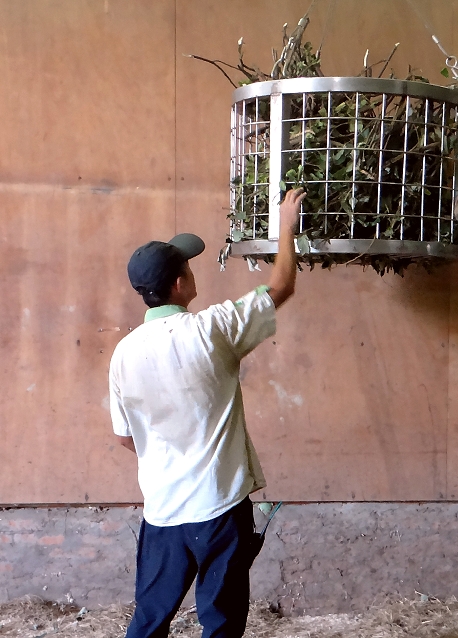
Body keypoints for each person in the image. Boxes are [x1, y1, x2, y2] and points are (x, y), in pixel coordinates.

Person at [109, 188, 307, 638]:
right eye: (188, 266)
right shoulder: (212, 329)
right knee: (220, 622)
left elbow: (125, 437)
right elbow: (282, 287)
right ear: (179, 284)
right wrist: (286, 228)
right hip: (219, 506)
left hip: (161, 512)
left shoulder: (123, 354)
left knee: (149, 620)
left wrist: (169, 457)